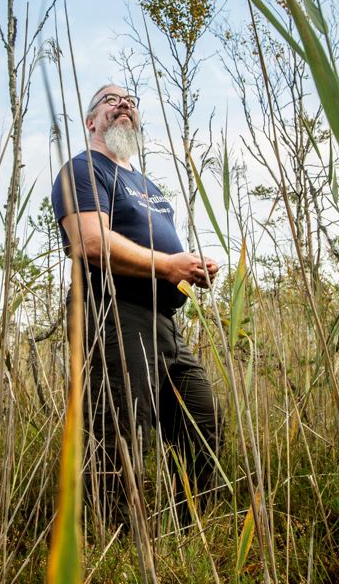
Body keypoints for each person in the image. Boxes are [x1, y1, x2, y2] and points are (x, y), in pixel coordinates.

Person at [52, 83, 224, 529]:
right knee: (119, 434)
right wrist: (168, 264)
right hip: (112, 310)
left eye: (130, 100)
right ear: (91, 121)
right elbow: (89, 242)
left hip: (163, 322)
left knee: (202, 421)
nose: (123, 103)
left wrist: (188, 271)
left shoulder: (146, 185)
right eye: (110, 100)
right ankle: (114, 546)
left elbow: (160, 251)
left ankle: (190, 536)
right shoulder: (84, 169)